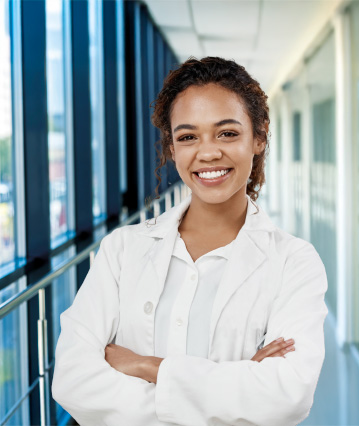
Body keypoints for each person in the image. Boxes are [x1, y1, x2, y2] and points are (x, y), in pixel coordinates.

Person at [52, 56, 328, 426]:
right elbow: (72, 380)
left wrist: (147, 366)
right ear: (172, 147)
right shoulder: (123, 249)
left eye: (227, 133)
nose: (208, 152)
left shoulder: (294, 262)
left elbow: (286, 396)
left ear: (259, 136)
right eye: (187, 137)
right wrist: (235, 382)